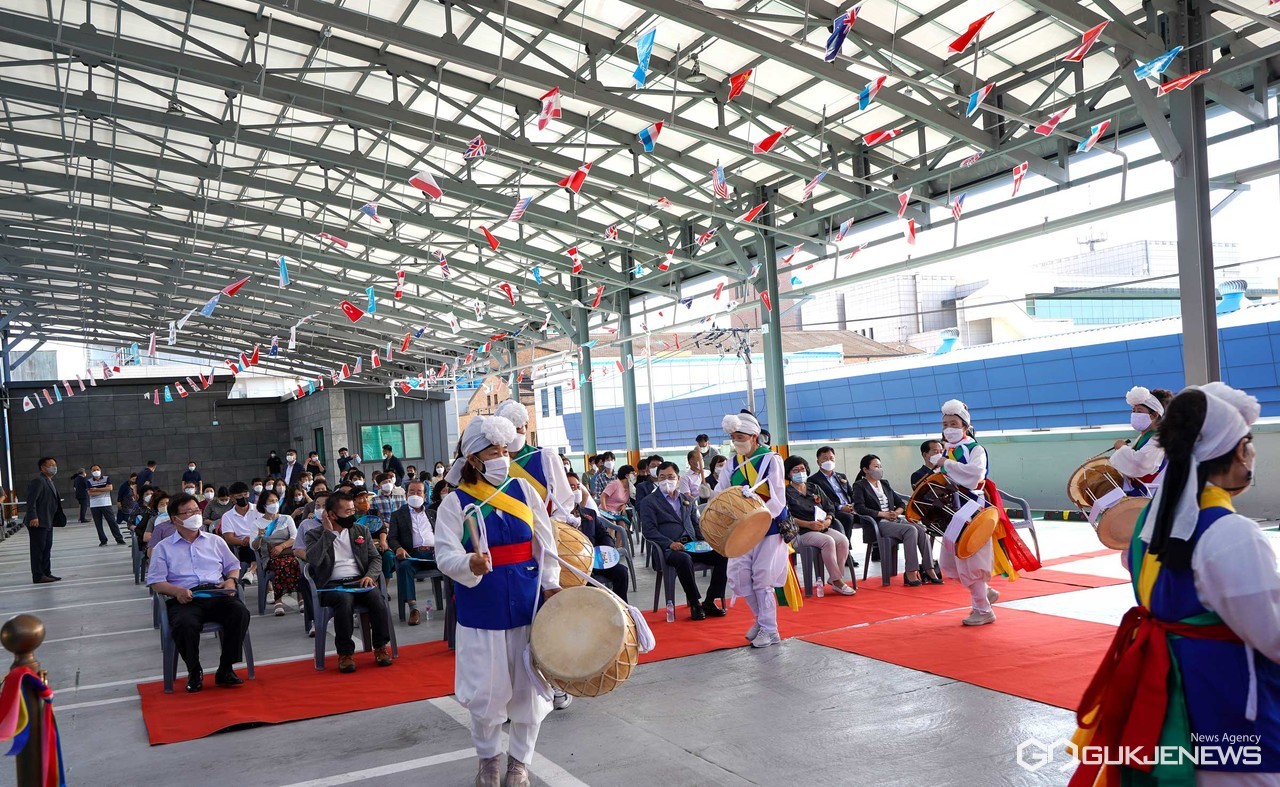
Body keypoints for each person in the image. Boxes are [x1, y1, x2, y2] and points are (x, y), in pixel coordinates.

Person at [1072, 382, 1280, 786]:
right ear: (1235, 451)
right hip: (1229, 701)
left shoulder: (1146, 526)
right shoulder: (1231, 533)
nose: (1251, 453)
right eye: (1248, 442)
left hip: (1167, 697)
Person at [435, 416, 560, 787]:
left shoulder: (523, 489)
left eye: (505, 450)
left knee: (529, 693)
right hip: (481, 609)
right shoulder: (454, 504)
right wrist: (468, 563)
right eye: (493, 451)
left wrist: (551, 583)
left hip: (527, 604)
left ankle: (519, 764)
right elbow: (444, 554)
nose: (502, 457)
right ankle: (489, 762)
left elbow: (546, 542)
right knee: (486, 695)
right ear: (473, 458)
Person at [146, 492, 250, 692]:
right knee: (184, 623)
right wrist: (176, 591)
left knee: (239, 612)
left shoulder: (215, 541)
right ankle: (194, 670)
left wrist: (231, 580)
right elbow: (156, 582)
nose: (195, 515)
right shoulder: (163, 548)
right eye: (188, 512)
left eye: (196, 510)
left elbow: (233, 566)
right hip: (185, 597)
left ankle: (225, 668)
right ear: (175, 519)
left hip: (216, 593)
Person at [716, 411, 788, 648]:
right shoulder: (732, 462)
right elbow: (720, 491)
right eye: (733, 436)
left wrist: (758, 517)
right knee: (737, 576)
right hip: (740, 528)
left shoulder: (771, 459)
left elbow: (779, 498)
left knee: (762, 577)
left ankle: (770, 630)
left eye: (740, 436)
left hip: (768, 527)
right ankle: (761, 620)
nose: (736, 441)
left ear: (754, 436)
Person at [304, 491, 394, 672]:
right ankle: (345, 654)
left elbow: (375, 558)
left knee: (377, 598)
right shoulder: (314, 534)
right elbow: (313, 560)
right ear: (331, 515)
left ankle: (380, 647)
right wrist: (328, 534)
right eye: (347, 512)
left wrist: (370, 575)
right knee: (344, 601)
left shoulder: (361, 530)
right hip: (332, 585)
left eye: (352, 510)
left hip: (359, 580)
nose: (352, 515)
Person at [933, 400, 999, 626]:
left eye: (953, 423)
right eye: (945, 424)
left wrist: (946, 465)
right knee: (957, 558)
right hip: (952, 509)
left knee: (970, 558)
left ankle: (982, 609)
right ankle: (985, 593)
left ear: (965, 426)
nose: (948, 428)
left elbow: (974, 475)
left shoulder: (975, 449)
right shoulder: (946, 450)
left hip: (972, 508)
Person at [640, 462, 727, 619]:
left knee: (722, 555)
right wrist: (669, 543)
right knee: (684, 559)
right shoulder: (649, 502)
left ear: (678, 478)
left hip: (693, 545)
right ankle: (695, 603)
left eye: (671, 477)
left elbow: (696, 525)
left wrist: (707, 541)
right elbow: (649, 531)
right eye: (662, 477)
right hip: (667, 550)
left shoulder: (687, 500)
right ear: (657, 479)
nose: (667, 480)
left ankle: (710, 600)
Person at [852, 454, 940, 586]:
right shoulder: (859, 485)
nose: (879, 469)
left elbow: (900, 503)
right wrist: (883, 514)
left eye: (880, 466)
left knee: (921, 528)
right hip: (878, 523)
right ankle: (911, 571)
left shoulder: (885, 483)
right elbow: (860, 508)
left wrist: (896, 512)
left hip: (893, 519)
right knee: (910, 530)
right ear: (866, 470)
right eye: (876, 466)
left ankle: (929, 568)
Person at [784, 457, 856, 595]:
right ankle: (837, 581)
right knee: (827, 541)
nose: (800, 472)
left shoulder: (814, 487)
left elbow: (829, 507)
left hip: (822, 527)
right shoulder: (786, 492)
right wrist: (808, 524)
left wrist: (828, 520)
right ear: (788, 474)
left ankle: (834, 578)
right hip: (801, 532)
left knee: (843, 541)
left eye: (802, 469)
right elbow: (786, 516)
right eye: (795, 470)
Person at [494, 400, 575, 521]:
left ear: (526, 426)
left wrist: (551, 526)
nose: (515, 434)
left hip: (546, 527)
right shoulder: (493, 463)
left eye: (519, 428)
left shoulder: (546, 457)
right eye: (509, 430)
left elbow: (564, 500)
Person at [566, 472, 628, 601]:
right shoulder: (557, 517)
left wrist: (607, 550)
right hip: (572, 565)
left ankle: (622, 609)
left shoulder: (589, 513)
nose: (576, 490)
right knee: (590, 582)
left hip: (595, 560)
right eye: (571, 487)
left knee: (621, 572)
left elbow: (603, 534)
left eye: (578, 486)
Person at [388, 479, 435, 625]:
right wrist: (398, 548)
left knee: (453, 563)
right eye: (412, 492)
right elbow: (392, 538)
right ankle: (413, 609)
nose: (415, 495)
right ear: (406, 495)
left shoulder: (433, 513)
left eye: (419, 492)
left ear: (425, 495)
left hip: (434, 554)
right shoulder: (397, 515)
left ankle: (456, 601)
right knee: (404, 567)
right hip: (412, 555)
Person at [1110, 386, 1174, 492]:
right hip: (1140, 491)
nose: (1134, 415)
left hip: (1151, 494)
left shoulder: (1160, 438)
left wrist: (1122, 448)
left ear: (1154, 415)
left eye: (1139, 411)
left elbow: (1140, 463)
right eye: (1133, 410)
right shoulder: (1145, 436)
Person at [250, 489, 301, 616]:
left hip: (288, 552)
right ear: (264, 505)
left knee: (296, 563)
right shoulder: (257, 523)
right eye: (271, 501)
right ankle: (278, 601)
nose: (275, 504)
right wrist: (259, 536)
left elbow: (295, 537)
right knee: (280, 564)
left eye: (276, 501)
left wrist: (282, 546)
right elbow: (253, 546)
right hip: (270, 556)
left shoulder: (286, 518)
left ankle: (301, 598)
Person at [23, 457, 63, 584]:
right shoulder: (38, 481)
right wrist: (33, 516)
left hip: (48, 521)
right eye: (51, 465)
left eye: (55, 465)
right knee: (38, 550)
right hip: (38, 522)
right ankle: (38, 575)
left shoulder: (49, 481)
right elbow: (31, 501)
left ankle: (47, 572)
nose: (54, 467)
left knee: (46, 548)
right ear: (42, 468)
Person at [807, 447, 860, 542]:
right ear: (818, 462)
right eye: (825, 458)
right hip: (834, 511)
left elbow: (852, 494)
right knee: (847, 518)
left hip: (851, 509)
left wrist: (853, 505)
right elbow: (821, 501)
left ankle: (877, 550)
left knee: (871, 514)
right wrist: (841, 507)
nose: (829, 461)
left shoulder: (841, 476)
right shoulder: (813, 480)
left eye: (831, 458)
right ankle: (846, 549)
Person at [219, 482, 260, 585]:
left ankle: (251, 571)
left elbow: (266, 527)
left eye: (245, 494)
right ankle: (267, 587)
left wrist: (254, 537)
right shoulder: (227, 516)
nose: (243, 497)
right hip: (242, 546)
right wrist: (242, 541)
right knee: (251, 550)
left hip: (260, 541)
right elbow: (229, 538)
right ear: (232, 498)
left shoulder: (258, 509)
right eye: (239, 496)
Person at [87, 464, 125, 545]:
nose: (96, 471)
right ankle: (103, 540)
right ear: (91, 472)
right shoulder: (89, 481)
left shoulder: (106, 478)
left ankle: (119, 538)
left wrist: (96, 489)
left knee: (112, 521)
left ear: (100, 470)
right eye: (94, 470)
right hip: (94, 505)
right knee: (98, 524)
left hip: (106, 503)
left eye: (97, 469)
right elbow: (90, 493)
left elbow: (110, 488)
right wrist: (104, 490)